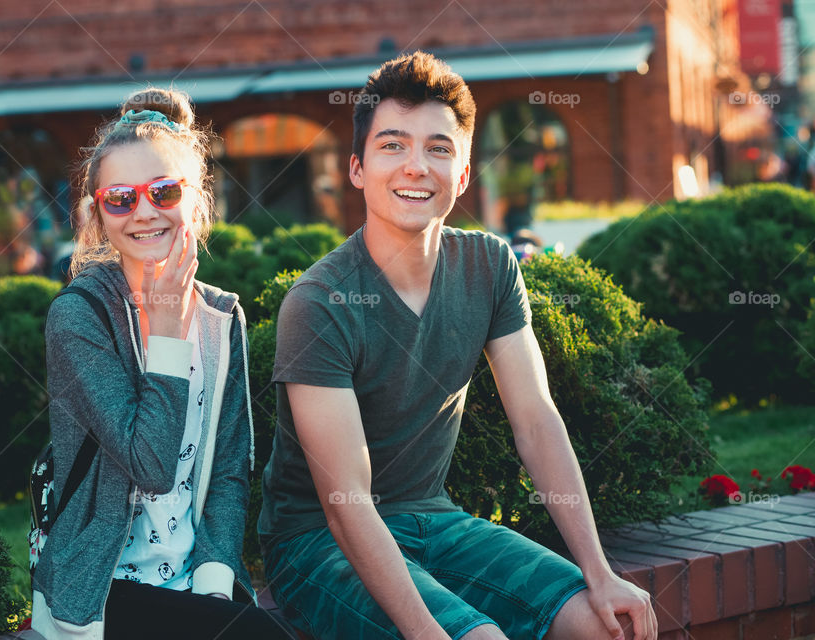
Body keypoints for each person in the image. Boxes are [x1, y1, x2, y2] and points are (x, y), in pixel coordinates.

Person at [258, 52, 658, 640]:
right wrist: (428, 633)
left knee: (604, 626)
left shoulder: (491, 266)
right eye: (392, 145)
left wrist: (599, 573)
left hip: (431, 518)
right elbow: (347, 504)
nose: (416, 167)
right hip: (314, 542)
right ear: (357, 169)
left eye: (439, 148)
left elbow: (536, 419)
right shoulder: (319, 302)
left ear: (464, 173)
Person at [31, 87, 292, 640]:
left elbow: (228, 467)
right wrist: (168, 329)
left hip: (198, 588)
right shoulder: (79, 318)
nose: (144, 212)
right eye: (121, 198)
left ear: (196, 200)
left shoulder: (222, 317)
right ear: (100, 215)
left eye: (164, 191)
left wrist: (214, 586)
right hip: (104, 588)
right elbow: (150, 466)